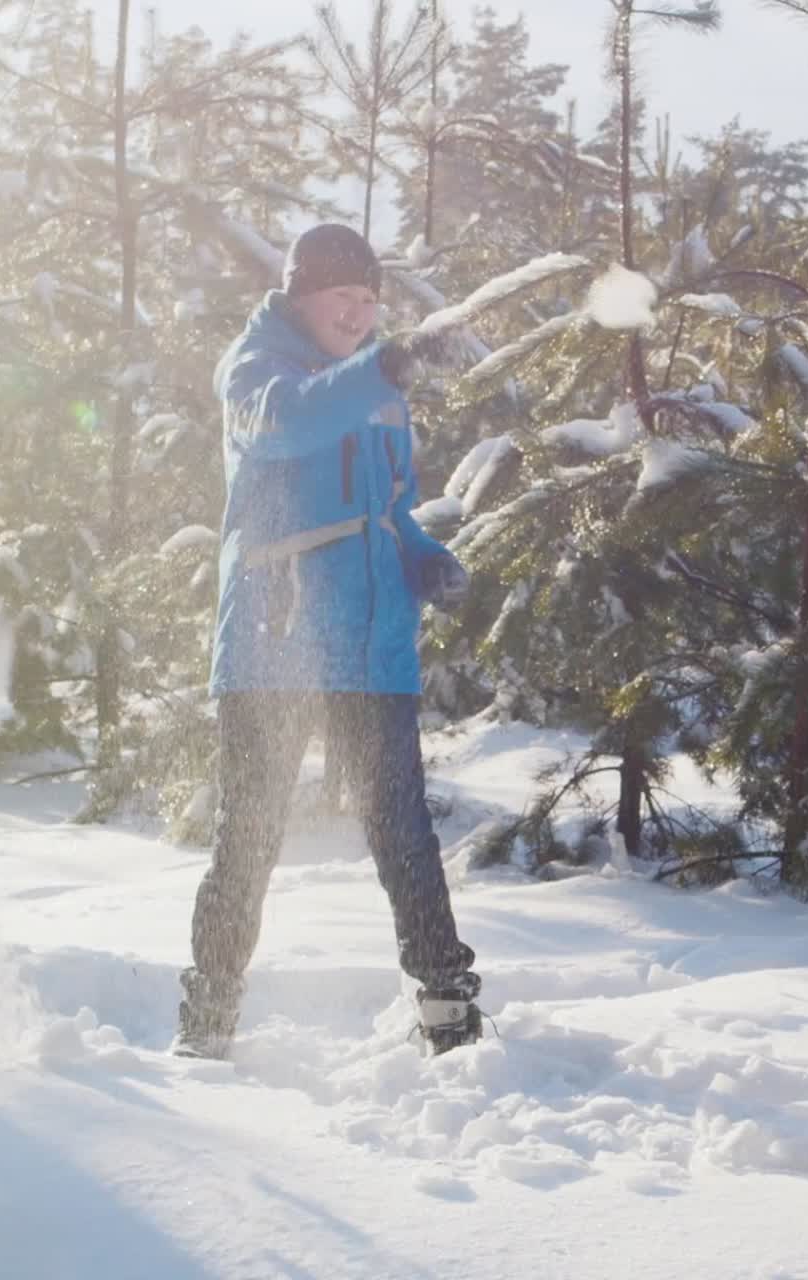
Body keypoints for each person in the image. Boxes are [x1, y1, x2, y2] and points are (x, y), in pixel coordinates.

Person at [175, 223, 481, 1060]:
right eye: (343, 298)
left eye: (371, 301)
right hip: (278, 641)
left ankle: (450, 1010)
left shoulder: (379, 385)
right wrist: (382, 363)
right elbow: (285, 425)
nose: (358, 314)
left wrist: (427, 561)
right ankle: (208, 1016)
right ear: (301, 294)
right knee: (253, 829)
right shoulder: (255, 368)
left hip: (373, 644)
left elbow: (388, 509)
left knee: (402, 828)